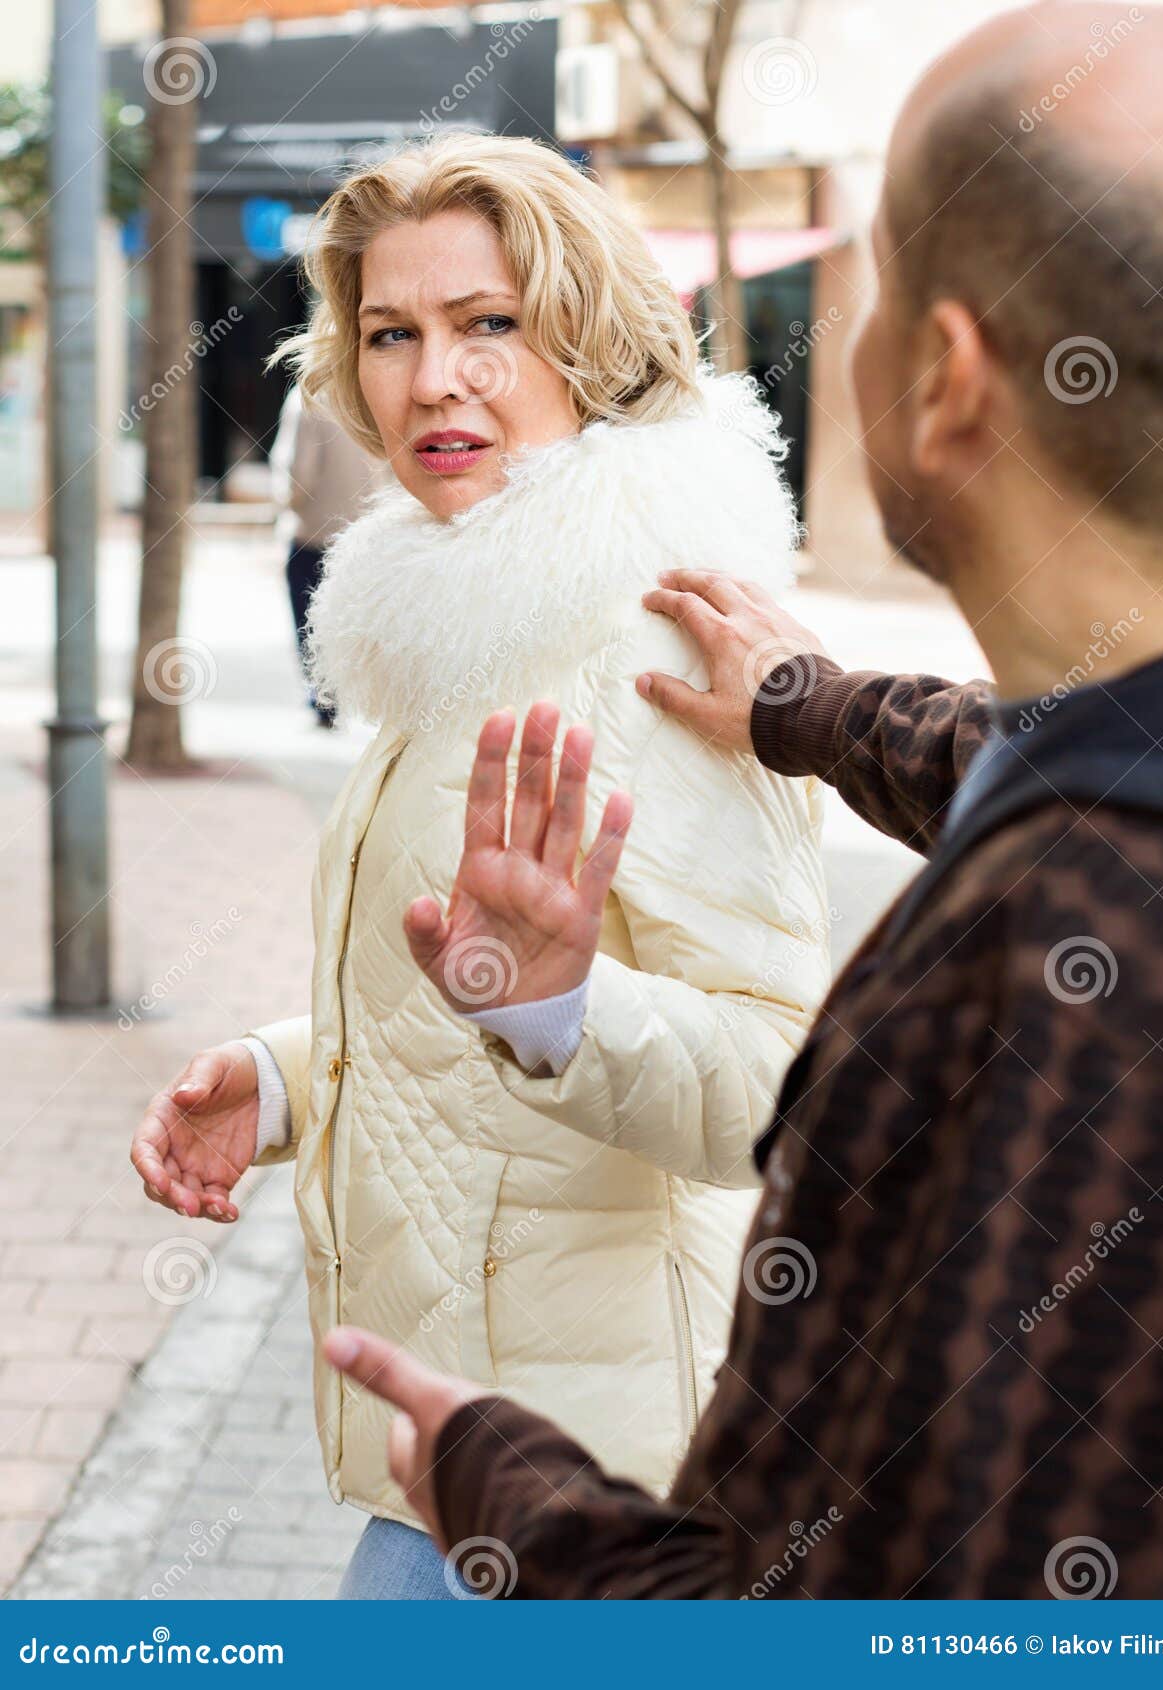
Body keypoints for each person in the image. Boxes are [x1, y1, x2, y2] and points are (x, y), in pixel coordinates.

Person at [322, 2, 1163, 1598]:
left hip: (555, 1502)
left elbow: (855, 1598)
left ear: (944, 380)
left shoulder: (1066, 950)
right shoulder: (1134, 804)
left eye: (881, 284)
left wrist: (516, 1485)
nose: (431, 376)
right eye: (389, 330)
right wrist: (823, 711)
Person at [129, 133, 832, 1600]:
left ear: (585, 337)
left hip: (600, 1473)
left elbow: (788, 1089)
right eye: (391, 333)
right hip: (454, 1445)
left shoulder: (644, 645)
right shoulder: (459, 621)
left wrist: (563, 1013)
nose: (432, 379)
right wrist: (279, 1078)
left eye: (487, 325)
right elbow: (471, 1003)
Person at [269, 383, 387, 727]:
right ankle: (353, 693)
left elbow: (297, 471)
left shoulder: (308, 398)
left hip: (312, 530)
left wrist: (285, 505)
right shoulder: (373, 389)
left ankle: (324, 699)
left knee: (309, 619)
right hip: (365, 530)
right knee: (353, 616)